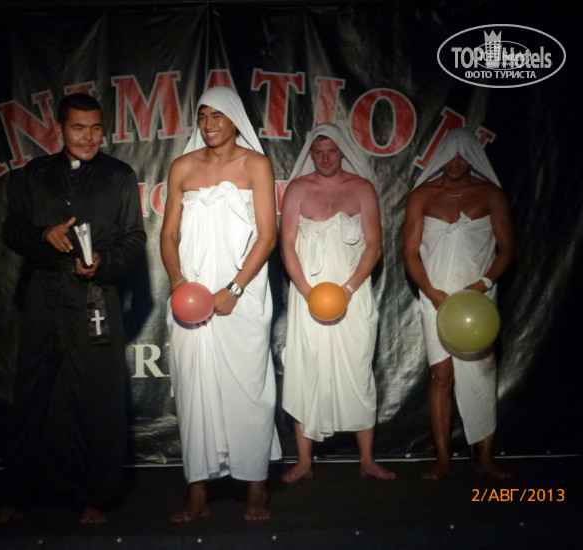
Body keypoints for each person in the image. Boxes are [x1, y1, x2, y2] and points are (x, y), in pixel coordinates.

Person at [0, 93, 147, 526]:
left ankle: (95, 496)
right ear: (60, 129)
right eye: (78, 128)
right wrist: (43, 236)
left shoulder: (119, 176)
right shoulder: (34, 174)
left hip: (96, 296)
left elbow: (135, 238)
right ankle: (15, 497)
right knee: (33, 394)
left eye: (95, 128)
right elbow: (12, 230)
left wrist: (104, 262)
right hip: (45, 293)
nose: (88, 137)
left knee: (99, 398)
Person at [160, 86, 282, 523]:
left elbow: (267, 236)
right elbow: (168, 235)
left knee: (249, 390)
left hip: (240, 297)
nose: (209, 124)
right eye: (202, 115)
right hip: (189, 300)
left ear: (235, 119)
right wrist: (179, 285)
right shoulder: (182, 167)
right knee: (193, 390)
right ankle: (197, 493)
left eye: (218, 115)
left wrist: (234, 288)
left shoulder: (256, 165)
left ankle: (256, 488)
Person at [280, 123, 395, 483]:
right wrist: (307, 292)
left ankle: (367, 460)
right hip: (307, 296)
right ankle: (304, 462)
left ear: (343, 150)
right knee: (306, 369)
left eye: (331, 150)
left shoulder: (362, 188)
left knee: (358, 372)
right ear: (310, 154)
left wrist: (347, 289)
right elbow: (286, 245)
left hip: (352, 294)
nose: (325, 158)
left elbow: (374, 245)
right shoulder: (298, 189)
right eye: (318, 152)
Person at [403, 127, 514, 480]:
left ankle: (485, 459)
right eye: (448, 155)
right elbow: (410, 253)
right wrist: (431, 291)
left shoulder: (491, 194)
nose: (454, 163)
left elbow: (507, 249)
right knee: (442, 374)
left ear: (472, 158)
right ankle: (442, 460)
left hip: (478, 299)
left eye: (461, 156)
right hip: (434, 297)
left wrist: (482, 284)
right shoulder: (422, 196)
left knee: (481, 376)